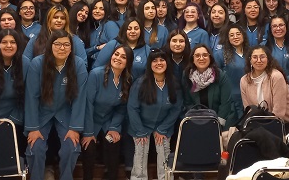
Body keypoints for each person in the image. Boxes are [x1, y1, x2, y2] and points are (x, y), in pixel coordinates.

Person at [24, 30, 88, 180]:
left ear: (71, 47)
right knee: (36, 147)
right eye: (57, 44)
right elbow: (31, 97)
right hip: (41, 112)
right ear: (49, 46)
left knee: (71, 148)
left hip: (64, 111)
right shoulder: (37, 63)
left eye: (66, 44)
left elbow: (80, 98)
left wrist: (74, 128)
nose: (62, 48)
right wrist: (33, 128)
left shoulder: (78, 64)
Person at [127, 48, 182, 180]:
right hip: (141, 125)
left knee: (163, 152)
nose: (158, 63)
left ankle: (166, 178)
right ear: (149, 64)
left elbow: (176, 108)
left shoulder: (173, 83)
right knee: (141, 152)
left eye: (162, 60)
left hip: (163, 126)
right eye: (154, 60)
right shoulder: (140, 83)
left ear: (167, 62)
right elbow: (132, 108)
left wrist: (162, 129)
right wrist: (140, 131)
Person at [81, 45, 134, 180]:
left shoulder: (127, 79)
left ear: (128, 62)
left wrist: (114, 127)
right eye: (116, 54)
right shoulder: (96, 74)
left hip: (108, 121)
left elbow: (122, 108)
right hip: (91, 120)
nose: (118, 58)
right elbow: (87, 104)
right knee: (89, 147)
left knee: (113, 142)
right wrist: (88, 132)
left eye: (123, 57)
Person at [240, 46, 289, 124]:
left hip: (288, 122)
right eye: (255, 57)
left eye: (262, 57)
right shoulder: (244, 80)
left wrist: (265, 127)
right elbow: (248, 110)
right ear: (250, 60)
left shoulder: (276, 76)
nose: (259, 60)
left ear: (268, 59)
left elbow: (278, 112)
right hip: (261, 124)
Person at [181, 44, 237, 129]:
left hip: (219, 121)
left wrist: (216, 124)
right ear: (192, 59)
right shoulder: (187, 75)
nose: (201, 58)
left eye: (205, 55)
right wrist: (197, 121)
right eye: (197, 55)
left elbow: (226, 103)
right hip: (195, 121)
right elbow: (187, 102)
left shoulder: (220, 75)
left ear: (210, 58)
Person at [263, 15, 289, 104]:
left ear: (286, 27)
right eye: (274, 26)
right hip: (270, 89)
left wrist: (283, 80)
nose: (278, 28)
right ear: (270, 29)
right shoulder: (263, 47)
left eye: (281, 25)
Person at [214, 23, 249, 116]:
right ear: (227, 38)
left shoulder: (251, 53)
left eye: (238, 34)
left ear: (243, 35)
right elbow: (215, 77)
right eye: (231, 35)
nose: (235, 37)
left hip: (249, 97)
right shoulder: (221, 54)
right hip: (230, 99)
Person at [87, 0, 119, 65]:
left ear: (107, 12)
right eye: (95, 8)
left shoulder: (110, 24)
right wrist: (97, 48)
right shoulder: (91, 28)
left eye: (102, 9)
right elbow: (85, 52)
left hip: (104, 67)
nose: (97, 11)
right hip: (90, 65)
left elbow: (116, 47)